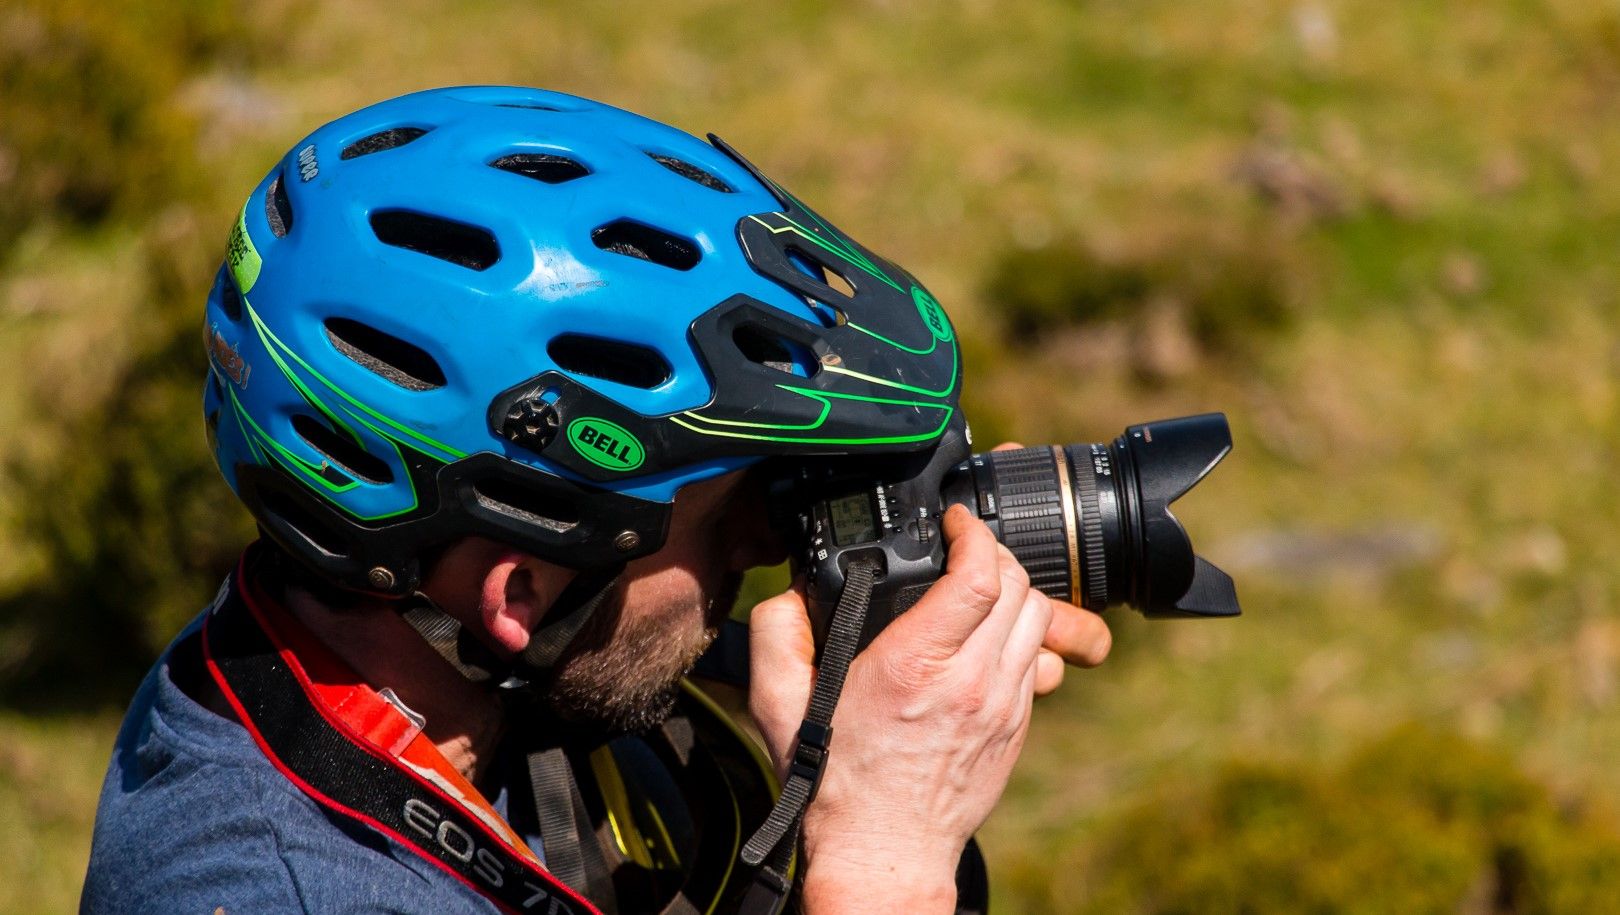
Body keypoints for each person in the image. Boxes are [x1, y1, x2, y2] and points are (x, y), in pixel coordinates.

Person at [81, 86, 1111, 914]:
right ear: (520, 589)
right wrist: (884, 861)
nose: (757, 549)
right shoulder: (286, 887)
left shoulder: (455, 681)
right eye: (721, 521)